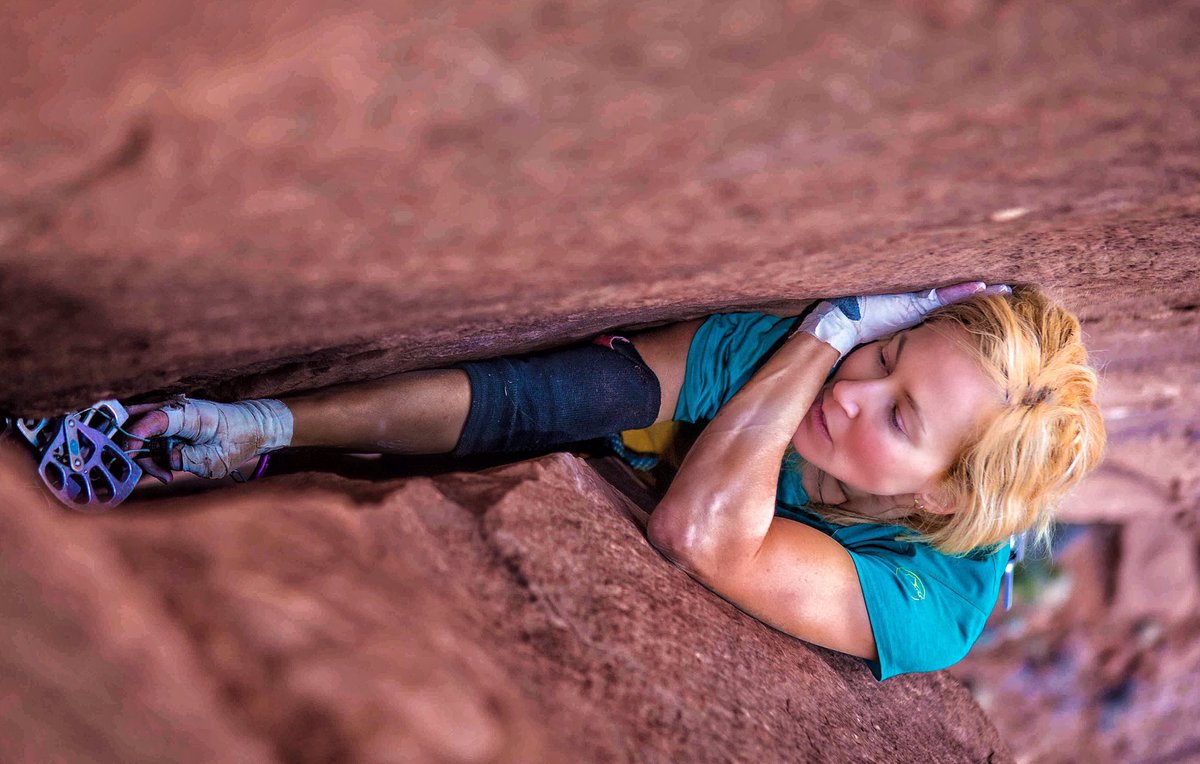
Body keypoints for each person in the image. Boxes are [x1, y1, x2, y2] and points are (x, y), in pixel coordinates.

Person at [122, 282, 1105, 680]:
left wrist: (832, 330)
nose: (854, 393)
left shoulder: (932, 598)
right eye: (887, 354)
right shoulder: (805, 372)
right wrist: (269, 423)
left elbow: (706, 535)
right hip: (632, 434)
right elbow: (542, 396)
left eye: (900, 417)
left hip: (703, 494)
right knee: (594, 394)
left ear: (940, 494)